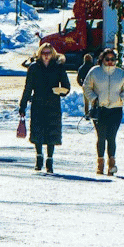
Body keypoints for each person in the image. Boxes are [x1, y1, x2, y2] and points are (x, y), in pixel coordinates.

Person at [19, 42, 71, 174]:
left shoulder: (58, 67)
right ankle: (39, 158)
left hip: (53, 104)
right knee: (37, 132)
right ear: (39, 54)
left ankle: (50, 160)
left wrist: (61, 91)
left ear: (52, 54)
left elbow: (66, 86)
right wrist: (23, 105)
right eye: (43, 53)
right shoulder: (34, 68)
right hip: (38, 103)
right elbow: (28, 88)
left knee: (52, 132)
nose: (46, 56)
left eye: (48, 53)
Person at [81, 47, 124, 175]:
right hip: (100, 110)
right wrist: (94, 99)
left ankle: (112, 164)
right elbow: (86, 86)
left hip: (116, 110)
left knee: (111, 137)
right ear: (102, 59)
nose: (110, 62)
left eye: (113, 59)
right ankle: (100, 163)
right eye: (107, 59)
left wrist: (122, 99)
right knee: (101, 136)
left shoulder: (121, 74)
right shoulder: (95, 72)